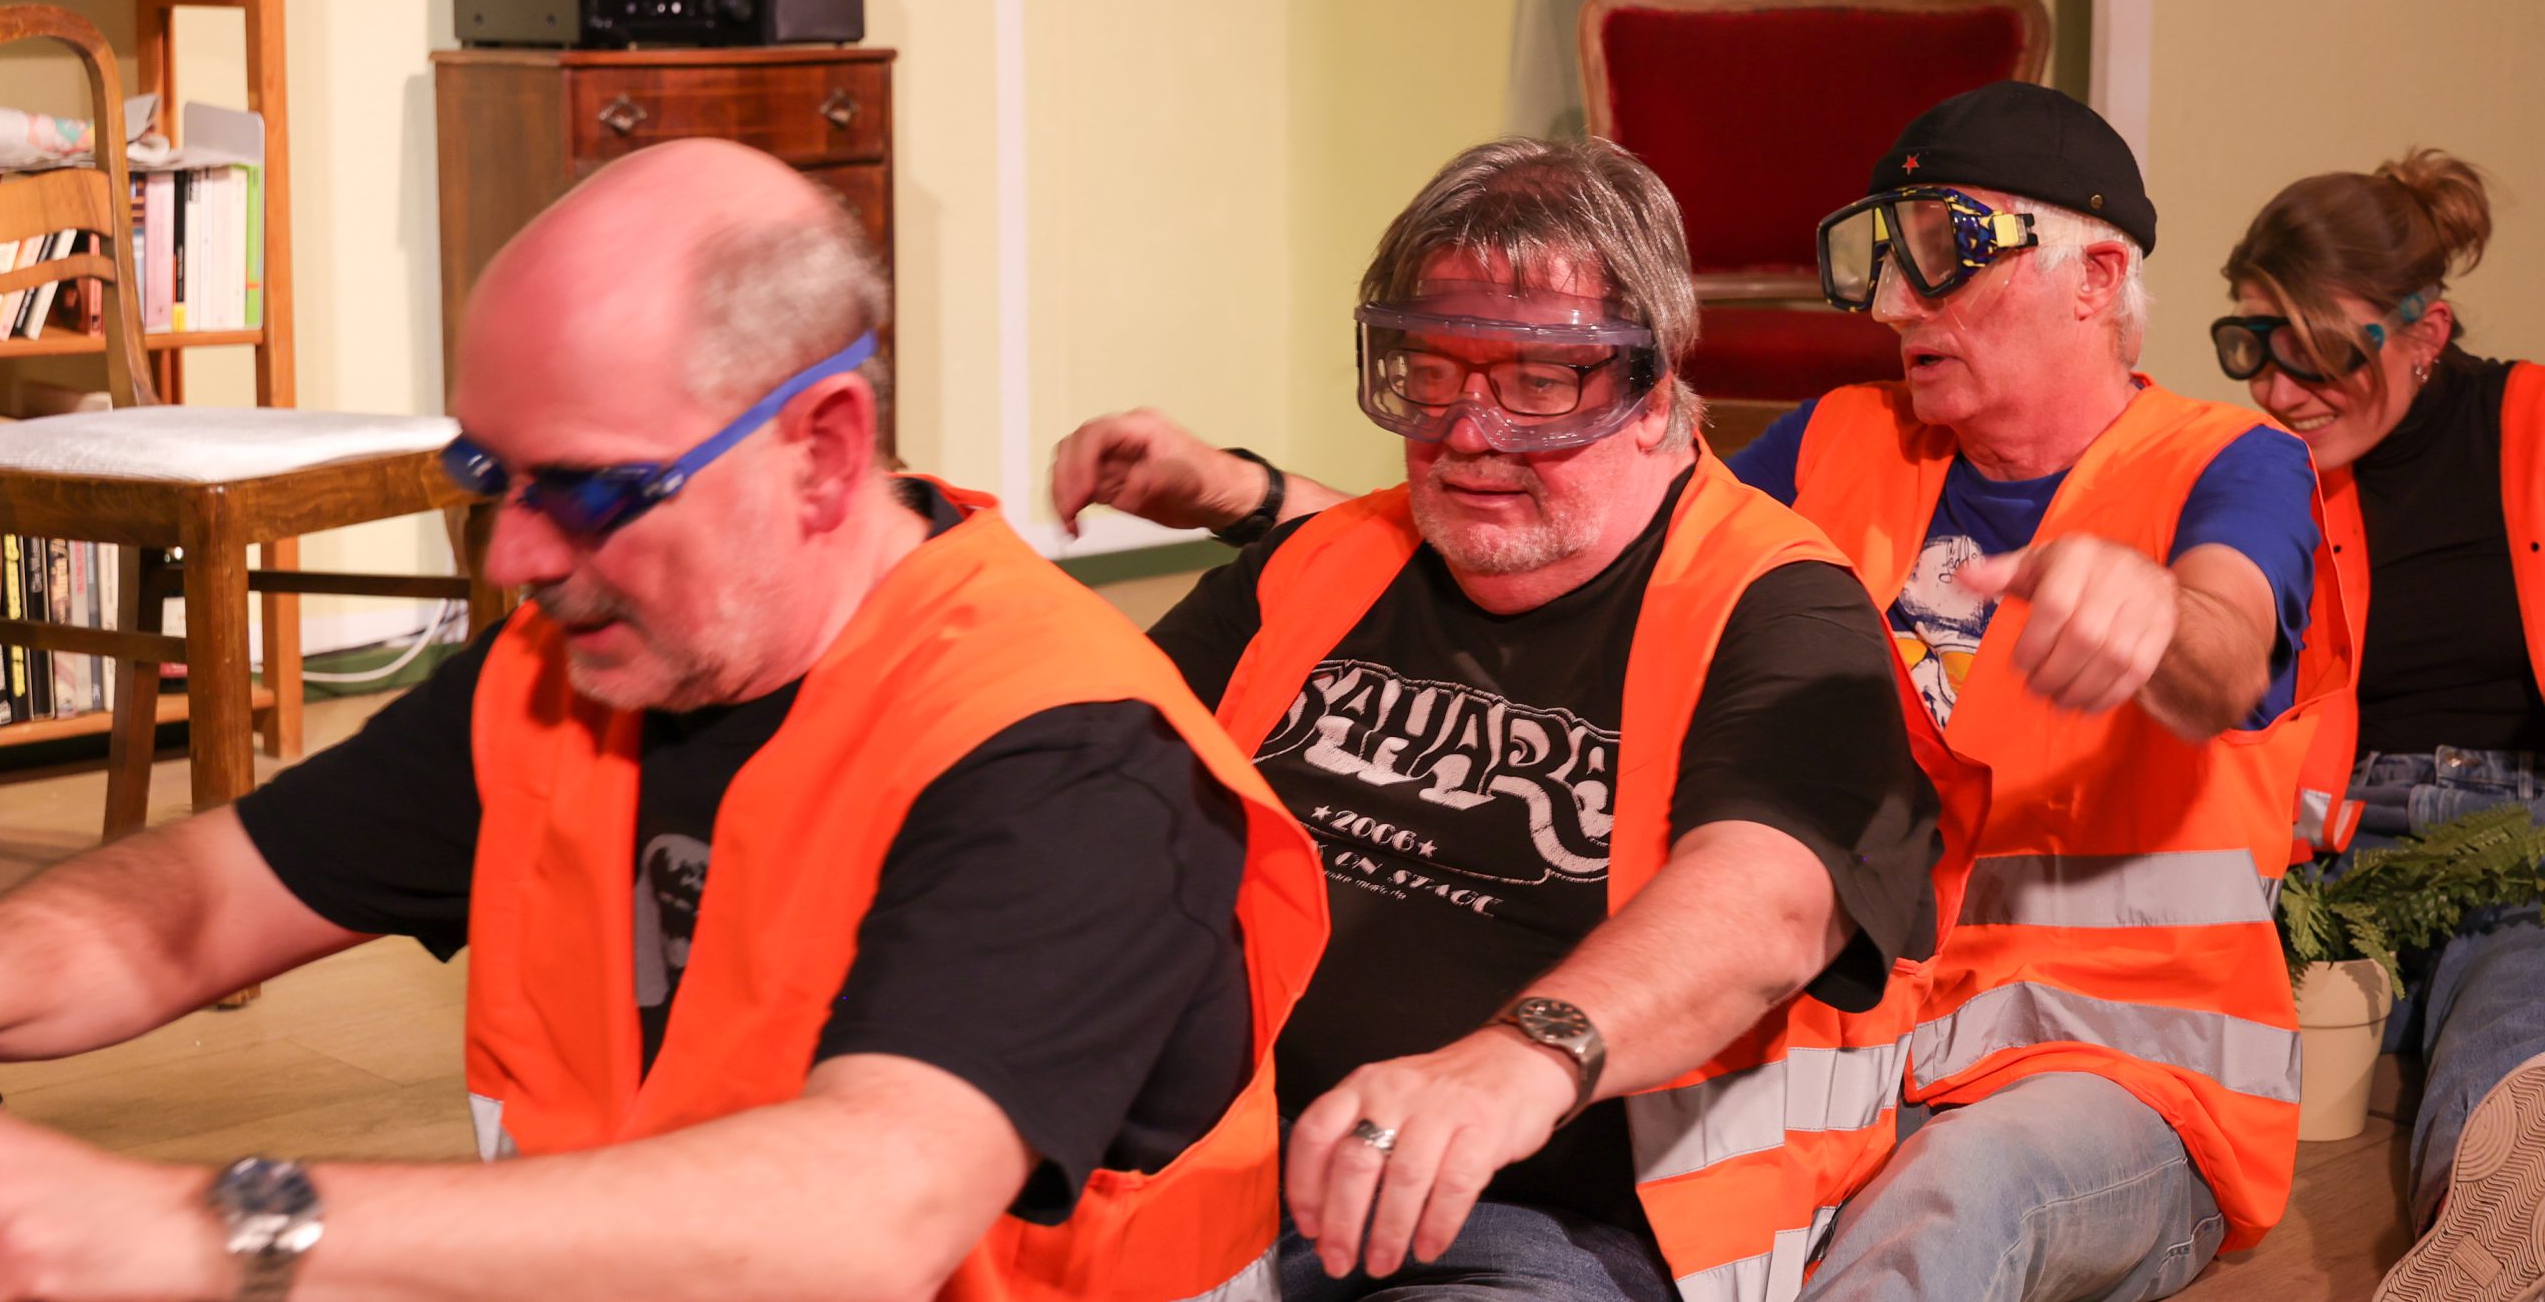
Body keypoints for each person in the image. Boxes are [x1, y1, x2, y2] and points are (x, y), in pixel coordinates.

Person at [0, 140, 1324, 1302]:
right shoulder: (573, 674)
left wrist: (199, 1230)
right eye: (487, 473)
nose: (514, 554)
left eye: (587, 492)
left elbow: (869, 1210)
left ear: (823, 449)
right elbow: (200, 902)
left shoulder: (1072, 755)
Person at [1052, 137, 1955, 1302]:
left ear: (1652, 392)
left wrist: (1522, 1060)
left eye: (1536, 383)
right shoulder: (1324, 564)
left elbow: (1768, 899)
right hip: (1197, 1170)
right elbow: (1081, 772)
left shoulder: (1779, 607)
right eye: (1430, 374)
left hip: (1537, 1226)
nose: (1468, 434)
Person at [1723, 80, 2352, 1302]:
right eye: (1881, 259)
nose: (1893, 302)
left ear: (2095, 278)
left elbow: (2227, 648)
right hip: (1858, 1056)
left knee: (1962, 1190)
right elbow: (1630, 570)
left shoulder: (2234, 466)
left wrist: (2160, 616)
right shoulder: (1834, 441)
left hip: (2125, 1082)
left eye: (1942, 251)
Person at [2217, 148, 2545, 1302]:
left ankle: (2491, 1248)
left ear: (2425, 332)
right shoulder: (2263, 482)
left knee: (2515, 1003)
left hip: (2513, 838)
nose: (2276, 388)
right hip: (2326, 848)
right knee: (2191, 1005)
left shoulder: (2531, 427)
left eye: (2317, 352)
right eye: (2250, 345)